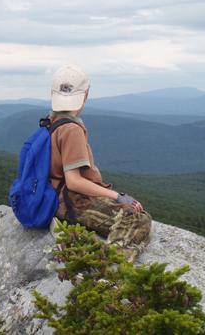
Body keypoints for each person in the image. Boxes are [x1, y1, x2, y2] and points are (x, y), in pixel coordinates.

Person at [49, 65, 152, 261]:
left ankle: (74, 233)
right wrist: (118, 196)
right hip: (72, 202)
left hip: (56, 197)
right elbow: (74, 181)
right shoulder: (71, 129)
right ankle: (108, 264)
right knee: (139, 219)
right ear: (85, 94)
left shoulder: (51, 120)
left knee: (128, 215)